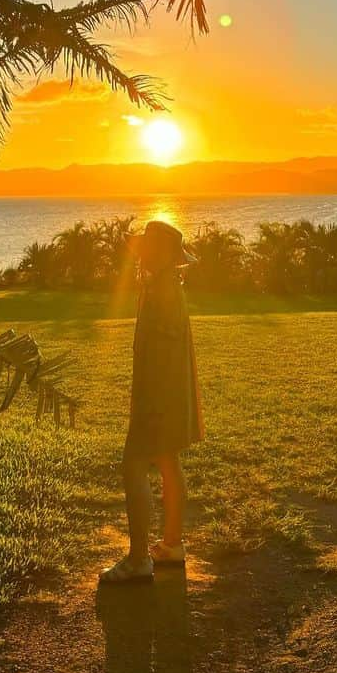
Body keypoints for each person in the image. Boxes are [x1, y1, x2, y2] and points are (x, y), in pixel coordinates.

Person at [99, 220, 204, 585]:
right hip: (169, 394)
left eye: (145, 249)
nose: (139, 255)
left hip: (156, 395)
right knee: (168, 459)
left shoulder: (161, 291)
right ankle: (172, 545)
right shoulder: (164, 286)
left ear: (157, 256)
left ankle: (138, 558)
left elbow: (158, 351)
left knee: (133, 467)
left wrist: (148, 404)